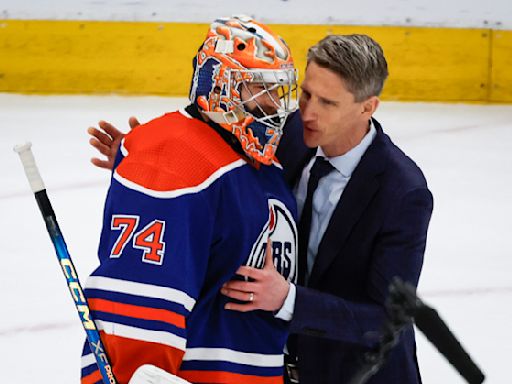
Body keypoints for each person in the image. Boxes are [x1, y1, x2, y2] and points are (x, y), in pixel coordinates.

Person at [89, 34, 433, 384]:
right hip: (274, 367)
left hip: (354, 375)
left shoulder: (402, 192)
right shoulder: (289, 133)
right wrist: (147, 157)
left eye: (327, 103)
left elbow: (388, 320)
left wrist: (288, 299)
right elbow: (218, 156)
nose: (307, 113)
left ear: (367, 107)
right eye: (306, 94)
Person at [81, 15, 299, 384]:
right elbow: (139, 306)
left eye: (275, 91)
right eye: (258, 89)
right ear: (220, 85)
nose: (272, 104)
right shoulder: (174, 156)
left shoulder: (259, 158)